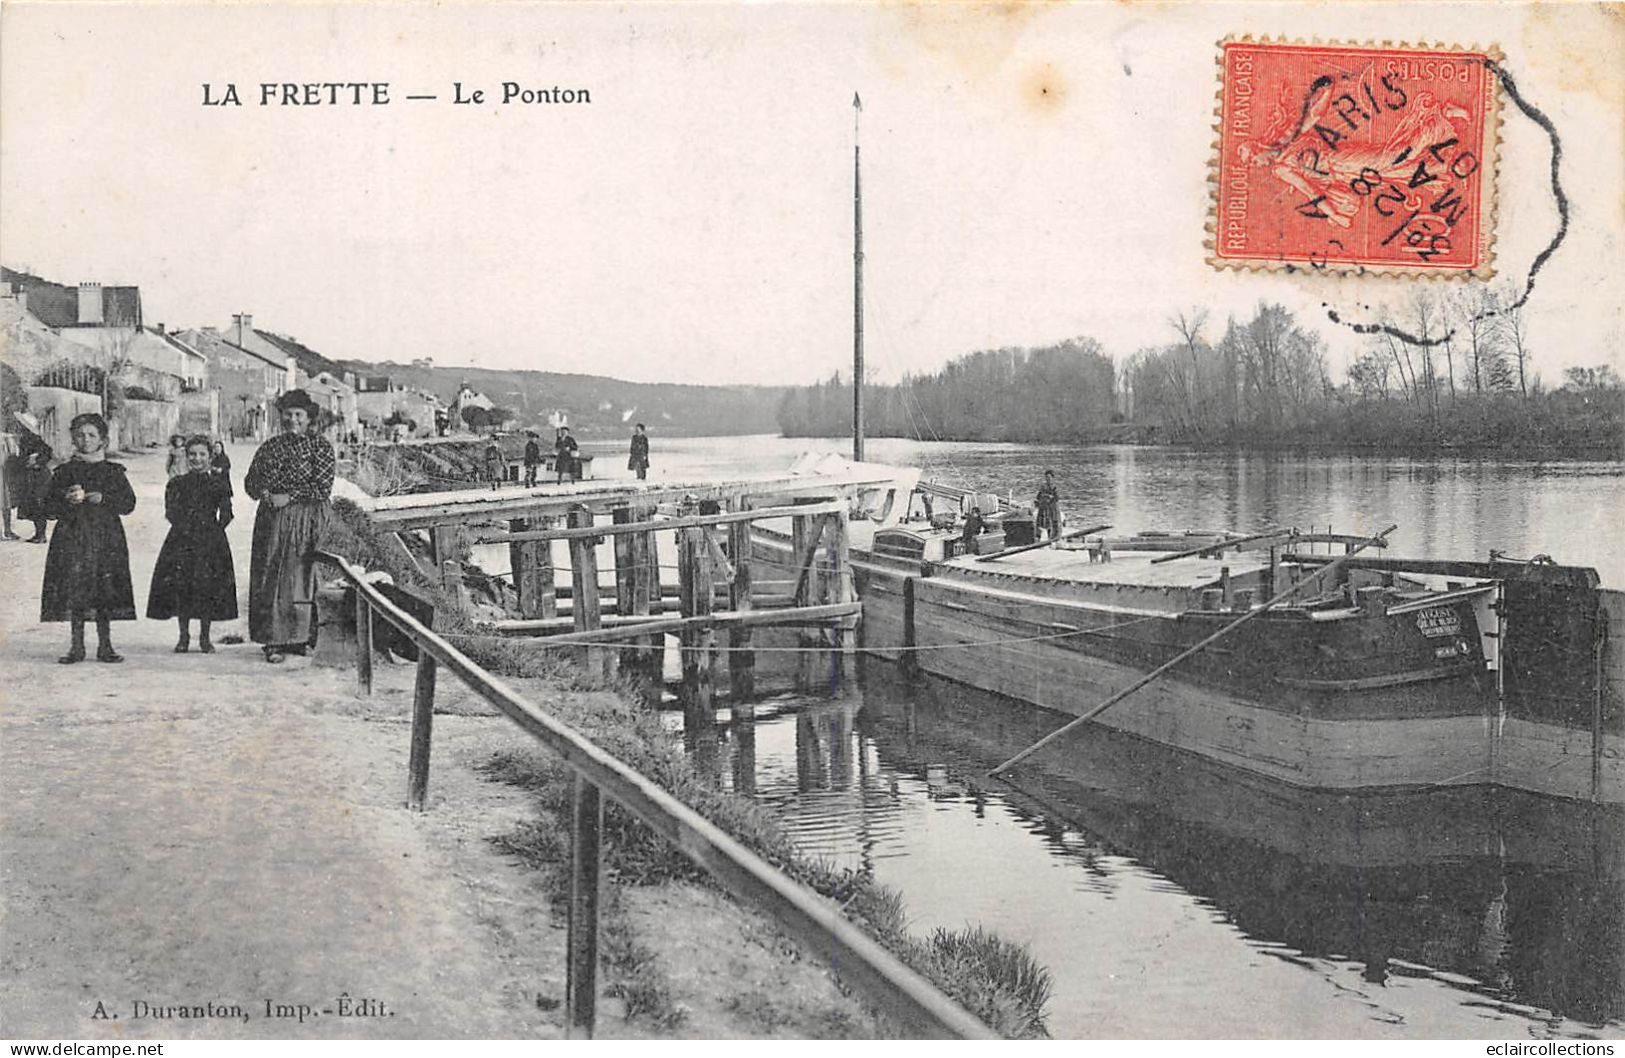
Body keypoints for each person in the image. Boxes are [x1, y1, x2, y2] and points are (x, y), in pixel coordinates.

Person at [244, 389, 335, 664]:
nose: (292, 420)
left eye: (299, 415)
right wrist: (264, 493)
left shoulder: (320, 447)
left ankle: (302, 638)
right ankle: (273, 640)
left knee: (300, 576)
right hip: (272, 519)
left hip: (306, 517)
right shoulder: (270, 447)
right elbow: (250, 482)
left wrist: (290, 497)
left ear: (308, 419)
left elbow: (322, 487)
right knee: (271, 575)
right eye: (288, 414)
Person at [40, 412, 137, 664]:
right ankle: (77, 647)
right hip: (72, 538)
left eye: (91, 435)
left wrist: (103, 499)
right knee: (76, 589)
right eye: (80, 435)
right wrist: (65, 498)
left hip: (106, 538)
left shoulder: (113, 471)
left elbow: (129, 504)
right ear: (73, 438)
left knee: (104, 589)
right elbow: (47, 508)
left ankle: (105, 646)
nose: (85, 440)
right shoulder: (64, 471)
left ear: (102, 440)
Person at [148, 435, 237, 653]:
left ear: (210, 456)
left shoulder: (218, 484)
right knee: (183, 586)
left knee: (207, 588)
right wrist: (184, 528)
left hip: (210, 543)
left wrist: (213, 531)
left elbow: (227, 514)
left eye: (202, 454)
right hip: (182, 541)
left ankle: (205, 638)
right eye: (192, 455)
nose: (197, 459)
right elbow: (170, 512)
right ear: (186, 457)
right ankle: (183, 636)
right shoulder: (177, 483)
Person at [10, 412, 54, 542]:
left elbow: (47, 453)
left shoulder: (34, 439)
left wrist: (36, 461)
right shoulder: (26, 438)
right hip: (32, 476)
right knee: (35, 504)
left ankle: (41, 535)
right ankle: (39, 534)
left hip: (38, 476)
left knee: (38, 503)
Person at [1035, 470, 1062, 540]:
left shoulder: (1055, 487)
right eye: (1046, 477)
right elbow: (1038, 496)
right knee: (1040, 522)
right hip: (1043, 506)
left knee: (1053, 521)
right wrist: (1039, 501)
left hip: (1052, 507)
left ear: (1052, 478)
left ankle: (1053, 537)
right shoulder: (1043, 486)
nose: (1048, 479)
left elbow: (1057, 497)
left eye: (1049, 477)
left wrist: (1049, 498)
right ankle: (1038, 537)